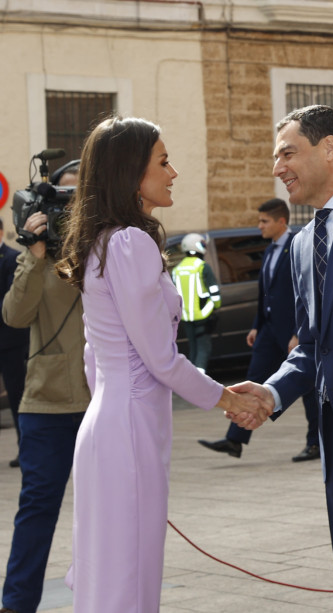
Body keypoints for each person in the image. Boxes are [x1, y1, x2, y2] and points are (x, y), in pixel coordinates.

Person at [54, 116, 263, 613]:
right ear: (131, 174)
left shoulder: (107, 241)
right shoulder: (130, 242)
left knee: (116, 575)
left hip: (111, 425)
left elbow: (94, 358)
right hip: (127, 432)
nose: (173, 172)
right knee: (128, 581)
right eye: (163, 161)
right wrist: (228, 400)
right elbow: (161, 360)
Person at [227, 104, 333, 613]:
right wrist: (272, 391)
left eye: (287, 153)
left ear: (329, 148)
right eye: (276, 157)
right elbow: (314, 344)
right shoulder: (300, 245)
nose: (278, 168)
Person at [0, 205, 90, 613]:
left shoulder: (111, 248)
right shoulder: (37, 257)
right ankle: (17, 604)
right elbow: (16, 317)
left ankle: (105, 598)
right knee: (36, 509)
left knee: (108, 511)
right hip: (46, 403)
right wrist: (33, 258)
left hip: (103, 402)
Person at [197, 198, 321, 462]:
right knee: (253, 379)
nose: (259, 226)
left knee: (307, 388)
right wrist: (256, 326)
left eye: (264, 221)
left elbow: (305, 294)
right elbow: (265, 294)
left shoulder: (298, 246)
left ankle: (315, 443)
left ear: (281, 221)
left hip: (292, 334)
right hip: (267, 331)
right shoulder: (268, 251)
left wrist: (300, 333)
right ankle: (235, 440)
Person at [0, 219, 29, 470]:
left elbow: (13, 300)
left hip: (9, 342)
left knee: (17, 396)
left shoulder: (12, 258)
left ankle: (25, 450)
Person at [170, 232, 221, 371]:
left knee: (193, 349)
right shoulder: (202, 266)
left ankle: (191, 383)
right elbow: (215, 293)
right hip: (203, 315)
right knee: (204, 349)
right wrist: (216, 306)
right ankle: (200, 382)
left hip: (186, 317)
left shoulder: (176, 270)